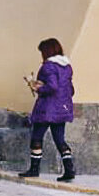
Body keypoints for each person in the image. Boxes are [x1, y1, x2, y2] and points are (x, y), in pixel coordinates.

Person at [25, 37, 75, 181]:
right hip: (63, 107)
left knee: (37, 137)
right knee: (60, 139)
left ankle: (34, 170)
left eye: (42, 52)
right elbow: (71, 89)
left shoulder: (48, 66)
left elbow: (52, 86)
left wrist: (38, 88)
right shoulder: (67, 67)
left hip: (47, 108)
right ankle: (69, 169)